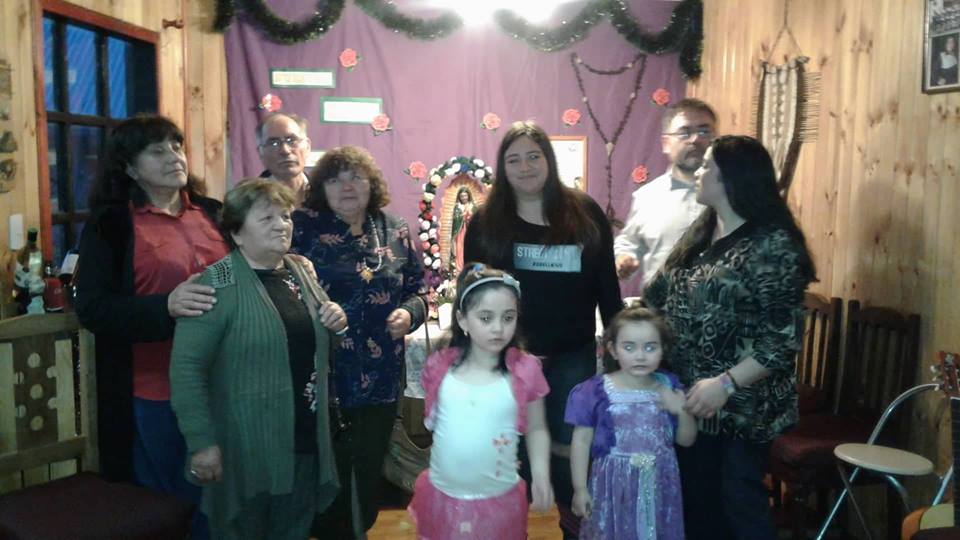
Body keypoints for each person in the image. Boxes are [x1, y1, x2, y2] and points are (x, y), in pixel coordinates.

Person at [644, 135, 816, 540]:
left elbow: (783, 340)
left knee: (738, 508)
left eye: (707, 166)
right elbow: (656, 294)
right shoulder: (703, 232)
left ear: (731, 179)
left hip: (742, 408)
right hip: (692, 400)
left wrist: (725, 384)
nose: (698, 172)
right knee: (698, 508)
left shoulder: (771, 245)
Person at [463, 121, 622, 538]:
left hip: (572, 356)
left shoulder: (584, 213)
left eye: (533, 156)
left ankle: (576, 530)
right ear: (502, 168)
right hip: (508, 360)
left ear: (549, 160)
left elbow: (607, 286)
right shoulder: (486, 222)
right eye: (514, 159)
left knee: (572, 454)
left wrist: (619, 349)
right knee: (507, 456)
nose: (525, 167)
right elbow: (472, 293)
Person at [74, 115, 229, 539]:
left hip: (226, 384)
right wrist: (167, 307)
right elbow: (93, 308)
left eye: (176, 147)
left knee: (225, 501)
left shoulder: (213, 212)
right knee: (177, 507)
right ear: (129, 167)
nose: (174, 157)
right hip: (156, 390)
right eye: (157, 151)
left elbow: (244, 276)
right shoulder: (112, 223)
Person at [169, 179, 346, 539]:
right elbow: (187, 370)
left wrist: (336, 324)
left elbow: (316, 341)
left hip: (304, 440)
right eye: (267, 218)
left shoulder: (300, 271)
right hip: (246, 449)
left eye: (285, 216)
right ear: (236, 233)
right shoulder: (215, 283)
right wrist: (201, 442)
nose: (282, 225)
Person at [291, 145, 428, 538]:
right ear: (322, 187)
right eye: (335, 179)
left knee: (368, 469)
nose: (346, 186)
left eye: (356, 177)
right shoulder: (301, 227)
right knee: (327, 472)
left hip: (381, 378)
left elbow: (419, 290)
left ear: (372, 183)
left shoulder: (395, 227)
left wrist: (410, 313)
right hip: (322, 377)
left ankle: (357, 528)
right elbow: (283, 287)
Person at [408, 264, 553, 539]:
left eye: (508, 318)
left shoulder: (525, 371)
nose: (498, 328)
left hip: (497, 498)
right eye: (486, 318)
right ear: (463, 320)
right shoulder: (440, 368)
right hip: (443, 496)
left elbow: (537, 428)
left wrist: (541, 475)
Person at [566, 306, 695, 540]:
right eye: (629, 347)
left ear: (663, 349)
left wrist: (682, 411)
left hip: (659, 485)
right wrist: (580, 489)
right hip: (613, 487)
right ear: (612, 350)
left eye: (650, 347)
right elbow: (581, 441)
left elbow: (686, 441)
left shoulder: (669, 387)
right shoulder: (595, 391)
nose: (640, 356)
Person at [613, 98, 717, 290]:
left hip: (720, 306)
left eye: (704, 131)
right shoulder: (647, 197)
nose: (695, 139)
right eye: (685, 132)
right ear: (666, 143)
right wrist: (624, 258)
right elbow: (628, 243)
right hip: (661, 305)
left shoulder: (733, 193)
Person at [257, 113, 312, 206]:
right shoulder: (248, 202)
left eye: (292, 140)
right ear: (260, 152)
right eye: (274, 143)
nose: (285, 150)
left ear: (307, 147)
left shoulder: (327, 195)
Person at [448, 186, 477, 273]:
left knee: (470, 248)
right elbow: (455, 221)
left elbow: (476, 220)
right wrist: (462, 217)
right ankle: (459, 268)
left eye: (465, 195)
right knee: (460, 249)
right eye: (462, 196)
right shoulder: (457, 207)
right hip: (460, 232)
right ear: (459, 197)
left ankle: (471, 267)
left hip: (470, 232)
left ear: (469, 195)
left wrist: (469, 216)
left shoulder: (473, 206)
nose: (464, 198)